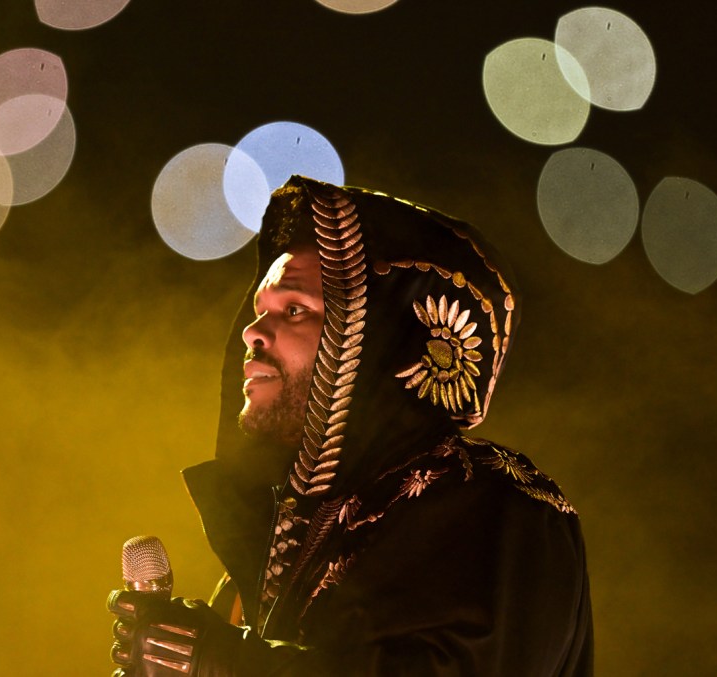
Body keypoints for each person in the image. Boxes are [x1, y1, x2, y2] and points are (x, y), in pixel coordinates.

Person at [108, 176, 594, 675]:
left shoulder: (503, 506)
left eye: (294, 310)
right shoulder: (280, 541)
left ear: (381, 336)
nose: (253, 332)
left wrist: (226, 664)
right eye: (260, 310)